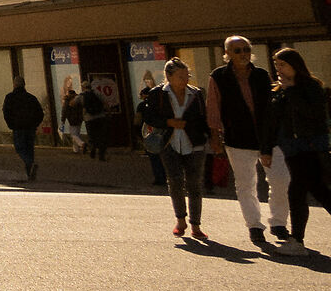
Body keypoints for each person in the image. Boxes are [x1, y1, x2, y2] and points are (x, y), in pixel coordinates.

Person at [207, 36, 284, 255]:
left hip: (267, 137)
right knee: (246, 184)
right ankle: (254, 226)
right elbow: (213, 107)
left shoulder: (261, 75)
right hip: (237, 139)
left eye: (246, 49)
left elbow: (271, 106)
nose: (243, 54)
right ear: (227, 54)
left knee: (280, 179)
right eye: (238, 50)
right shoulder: (219, 77)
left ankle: (278, 222)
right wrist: (215, 136)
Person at [141, 60, 213, 241]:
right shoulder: (157, 94)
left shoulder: (196, 94)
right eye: (180, 76)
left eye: (187, 75)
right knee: (175, 182)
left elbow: (203, 118)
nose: (185, 79)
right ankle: (181, 220)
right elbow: (149, 117)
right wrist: (168, 122)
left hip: (194, 144)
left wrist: (211, 138)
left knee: (195, 184)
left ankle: (196, 225)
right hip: (169, 144)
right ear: (169, 77)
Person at [269, 48, 331, 257]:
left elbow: (314, 115)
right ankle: (297, 241)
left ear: (295, 65)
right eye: (277, 65)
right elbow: (276, 120)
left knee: (297, 191)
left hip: (310, 146)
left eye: (283, 65)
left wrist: (292, 90)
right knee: (319, 190)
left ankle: (297, 241)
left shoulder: (310, 86)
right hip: (292, 148)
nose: (279, 69)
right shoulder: (280, 90)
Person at [2, 78, 45, 182]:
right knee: (29, 148)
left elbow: (6, 112)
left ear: (14, 85)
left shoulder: (10, 97)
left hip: (18, 127)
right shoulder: (31, 98)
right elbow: (40, 113)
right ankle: (29, 171)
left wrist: (11, 124)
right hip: (30, 127)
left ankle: (29, 164)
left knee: (20, 148)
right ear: (24, 85)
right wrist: (35, 124)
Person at [84, 84, 112, 163]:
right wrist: (109, 113)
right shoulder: (97, 93)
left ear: (83, 87)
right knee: (101, 135)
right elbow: (105, 103)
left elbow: (72, 103)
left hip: (89, 119)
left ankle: (92, 148)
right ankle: (101, 154)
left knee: (92, 136)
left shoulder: (82, 95)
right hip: (100, 117)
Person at [61, 81, 85, 152]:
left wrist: (63, 120)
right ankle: (76, 149)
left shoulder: (67, 101)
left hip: (72, 119)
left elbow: (64, 111)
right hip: (79, 119)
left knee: (73, 135)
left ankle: (82, 144)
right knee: (77, 134)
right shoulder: (78, 100)